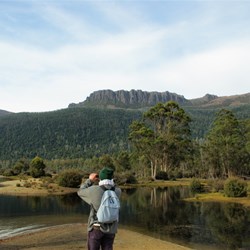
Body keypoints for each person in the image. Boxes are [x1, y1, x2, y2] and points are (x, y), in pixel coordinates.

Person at [77, 167, 121, 250]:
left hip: (96, 228)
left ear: (100, 178)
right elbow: (113, 186)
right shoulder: (118, 191)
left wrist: (90, 180)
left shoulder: (94, 190)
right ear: (112, 178)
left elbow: (80, 191)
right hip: (111, 229)